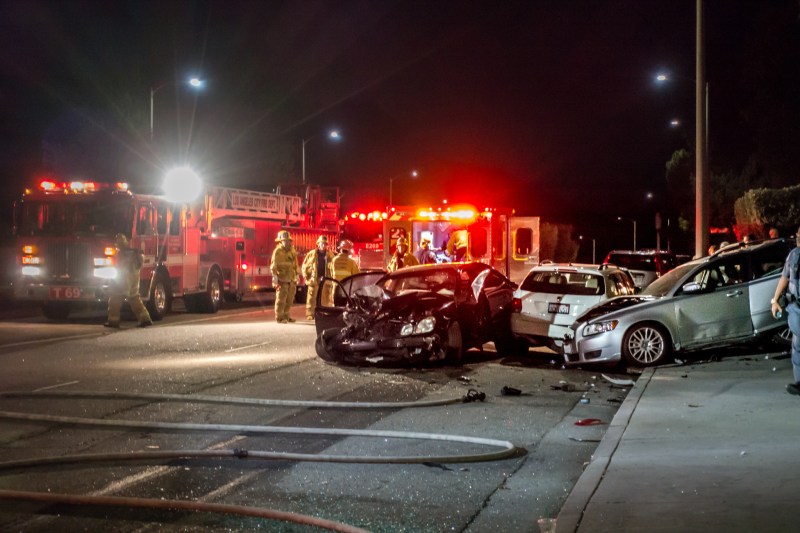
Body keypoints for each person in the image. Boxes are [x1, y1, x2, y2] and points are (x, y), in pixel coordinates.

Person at [771, 225, 800, 395]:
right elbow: (785, 277)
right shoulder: (794, 255)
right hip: (796, 307)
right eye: (797, 236)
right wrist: (775, 300)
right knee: (797, 345)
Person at [106, 233, 152, 328]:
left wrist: (114, 282)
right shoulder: (134, 252)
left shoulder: (122, 255)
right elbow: (139, 264)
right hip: (134, 280)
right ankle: (145, 319)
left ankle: (113, 321)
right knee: (135, 299)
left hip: (124, 282)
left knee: (114, 300)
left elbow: (121, 270)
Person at [301, 234, 333, 320]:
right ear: (318, 244)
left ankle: (324, 313)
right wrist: (305, 276)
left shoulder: (330, 255)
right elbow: (304, 266)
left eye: (325, 244)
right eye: (321, 243)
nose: (323, 245)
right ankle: (310, 314)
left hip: (325, 279)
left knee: (325, 298)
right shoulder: (311, 255)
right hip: (314, 279)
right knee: (311, 298)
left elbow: (333, 268)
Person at [270, 230, 299, 324]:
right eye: (284, 241)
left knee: (290, 299)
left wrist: (297, 275)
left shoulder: (292, 251)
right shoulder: (277, 252)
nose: (286, 242)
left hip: (291, 278)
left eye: (288, 240)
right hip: (282, 278)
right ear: (280, 241)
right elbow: (274, 265)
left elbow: (295, 264)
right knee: (281, 299)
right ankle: (279, 317)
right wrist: (274, 276)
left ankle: (286, 315)